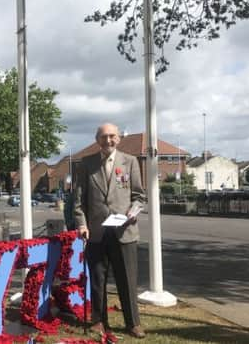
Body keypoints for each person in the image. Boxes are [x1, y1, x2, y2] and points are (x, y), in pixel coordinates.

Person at [74, 123, 146, 339]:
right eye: (104, 136)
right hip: (95, 233)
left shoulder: (130, 162)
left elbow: (139, 197)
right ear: (97, 139)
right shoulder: (86, 164)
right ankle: (98, 321)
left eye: (112, 136)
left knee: (127, 280)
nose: (108, 140)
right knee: (97, 280)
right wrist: (82, 225)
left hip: (124, 232)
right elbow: (78, 202)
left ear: (119, 138)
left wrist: (133, 212)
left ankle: (133, 323)